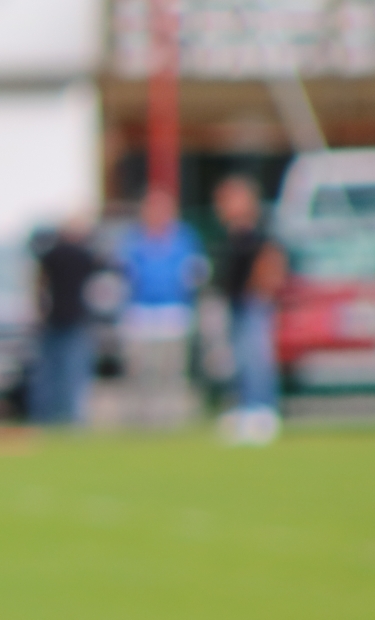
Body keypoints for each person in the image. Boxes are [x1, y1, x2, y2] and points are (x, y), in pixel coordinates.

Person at [117, 187, 208, 426]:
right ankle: (141, 417)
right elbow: (124, 272)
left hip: (173, 310)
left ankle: (171, 416)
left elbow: (196, 271)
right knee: (141, 368)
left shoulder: (183, 238)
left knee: (171, 368)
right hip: (141, 310)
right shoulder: (134, 238)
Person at [212, 175, 287, 444]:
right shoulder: (231, 235)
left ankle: (262, 410)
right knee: (241, 360)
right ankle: (247, 408)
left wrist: (261, 290)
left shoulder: (260, 232)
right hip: (235, 304)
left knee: (256, 358)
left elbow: (272, 264)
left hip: (253, 303)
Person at [28, 216, 101, 424]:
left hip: (54, 320)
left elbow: (39, 284)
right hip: (75, 321)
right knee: (73, 375)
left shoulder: (51, 255)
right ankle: (71, 418)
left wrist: (40, 312)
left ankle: (46, 417)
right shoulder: (84, 256)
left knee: (50, 375)